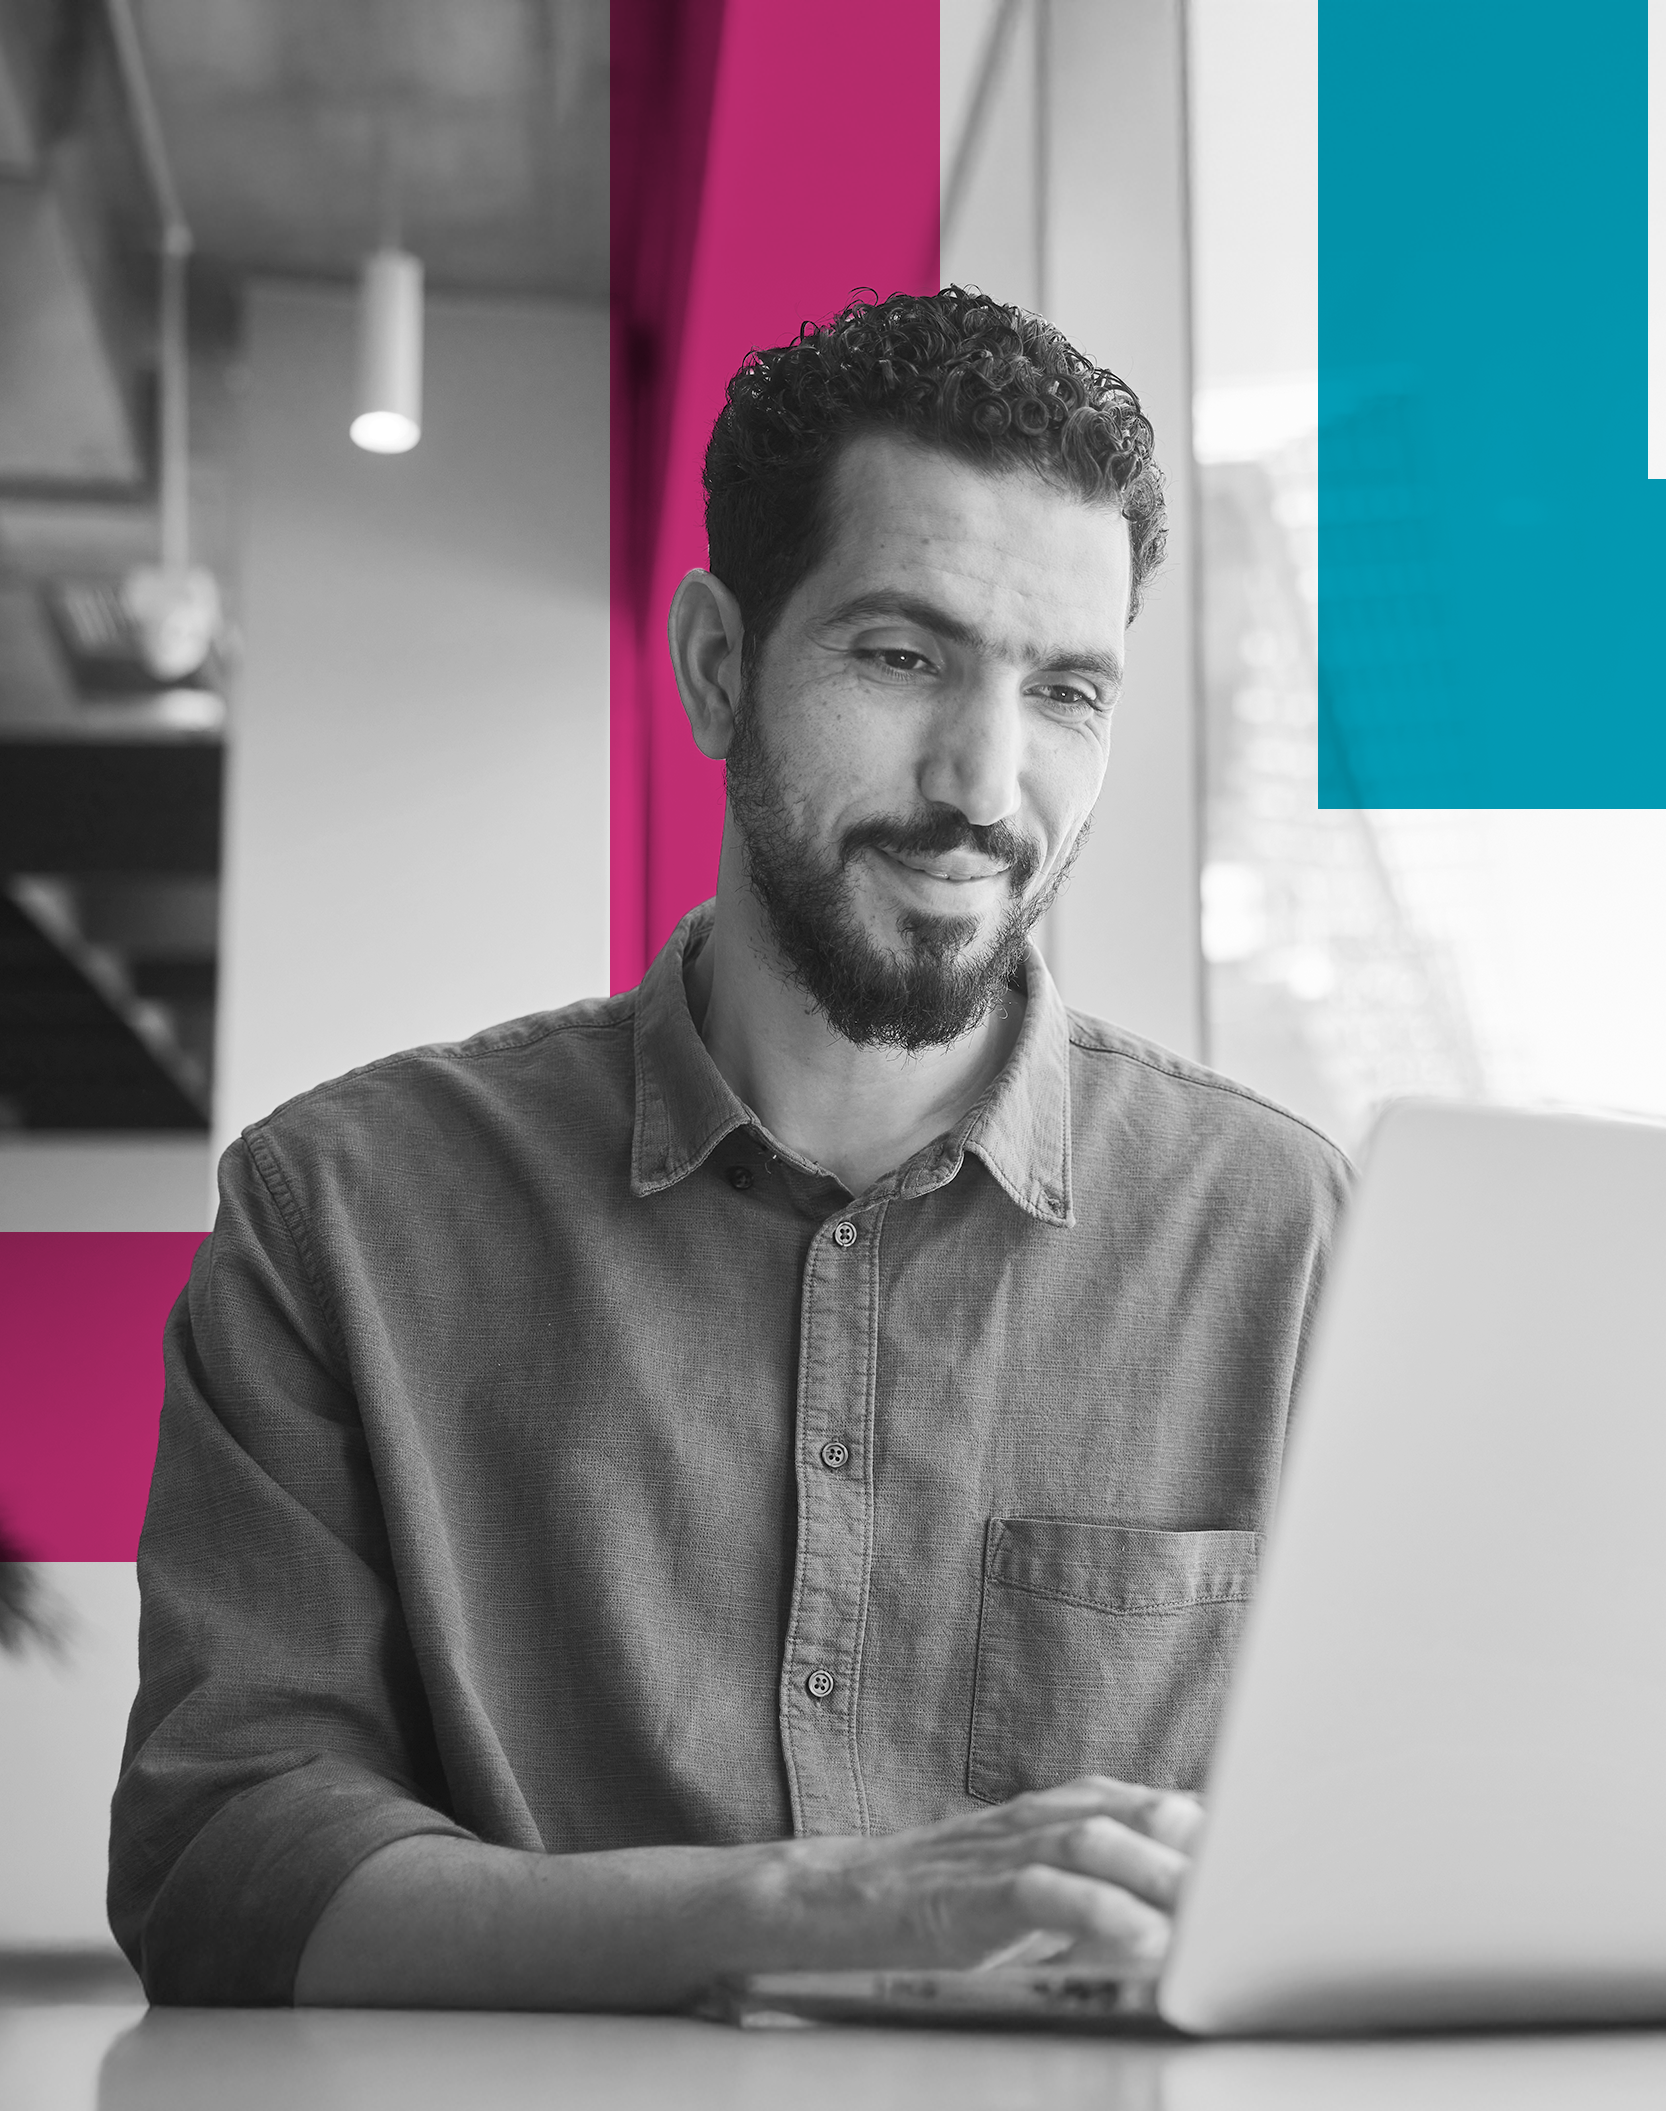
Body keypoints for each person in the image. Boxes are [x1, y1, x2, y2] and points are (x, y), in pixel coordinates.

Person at [109, 289, 1349, 2010]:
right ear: (718, 665)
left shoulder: (1290, 1239)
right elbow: (225, 1864)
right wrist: (812, 1909)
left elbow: (1402, 1843)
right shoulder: (341, 1213)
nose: (986, 782)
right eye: (901, 656)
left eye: (1065, 690)